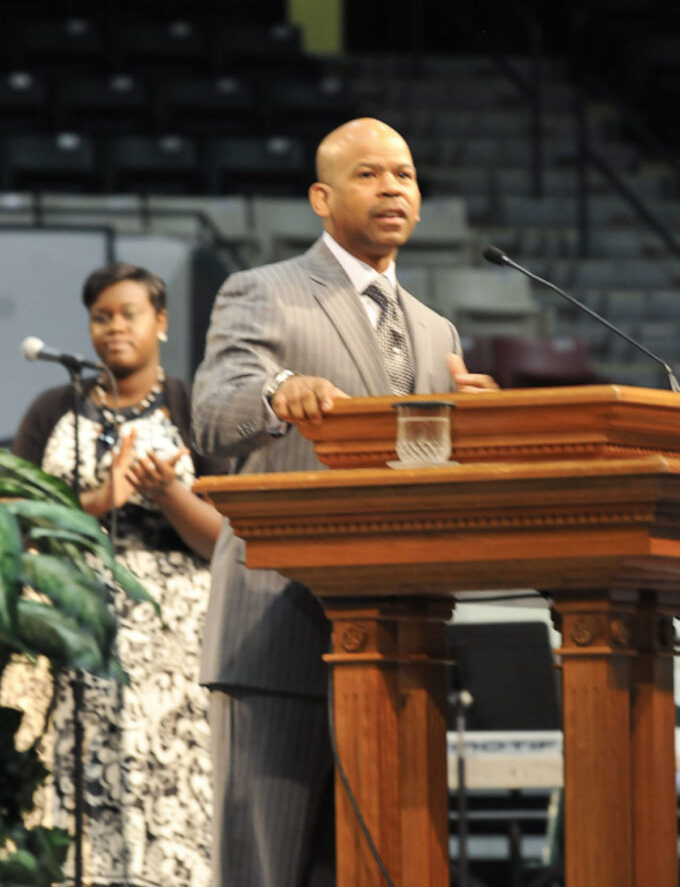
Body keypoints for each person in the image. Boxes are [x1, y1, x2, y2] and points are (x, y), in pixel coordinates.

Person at [191, 117, 497, 887]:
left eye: (405, 174)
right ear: (321, 198)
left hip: (400, 636)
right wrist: (274, 392)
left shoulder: (434, 331)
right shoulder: (264, 292)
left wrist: (485, 433)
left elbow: (422, 469)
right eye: (369, 174)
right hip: (277, 626)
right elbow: (213, 412)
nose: (394, 187)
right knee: (268, 868)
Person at [12, 261, 228, 887]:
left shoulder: (195, 408)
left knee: (171, 788)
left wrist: (168, 495)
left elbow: (229, 542)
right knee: (72, 784)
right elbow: (12, 521)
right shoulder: (53, 407)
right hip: (71, 628)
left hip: (176, 641)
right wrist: (96, 504)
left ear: (160, 322)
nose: (113, 328)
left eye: (128, 313)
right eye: (101, 316)